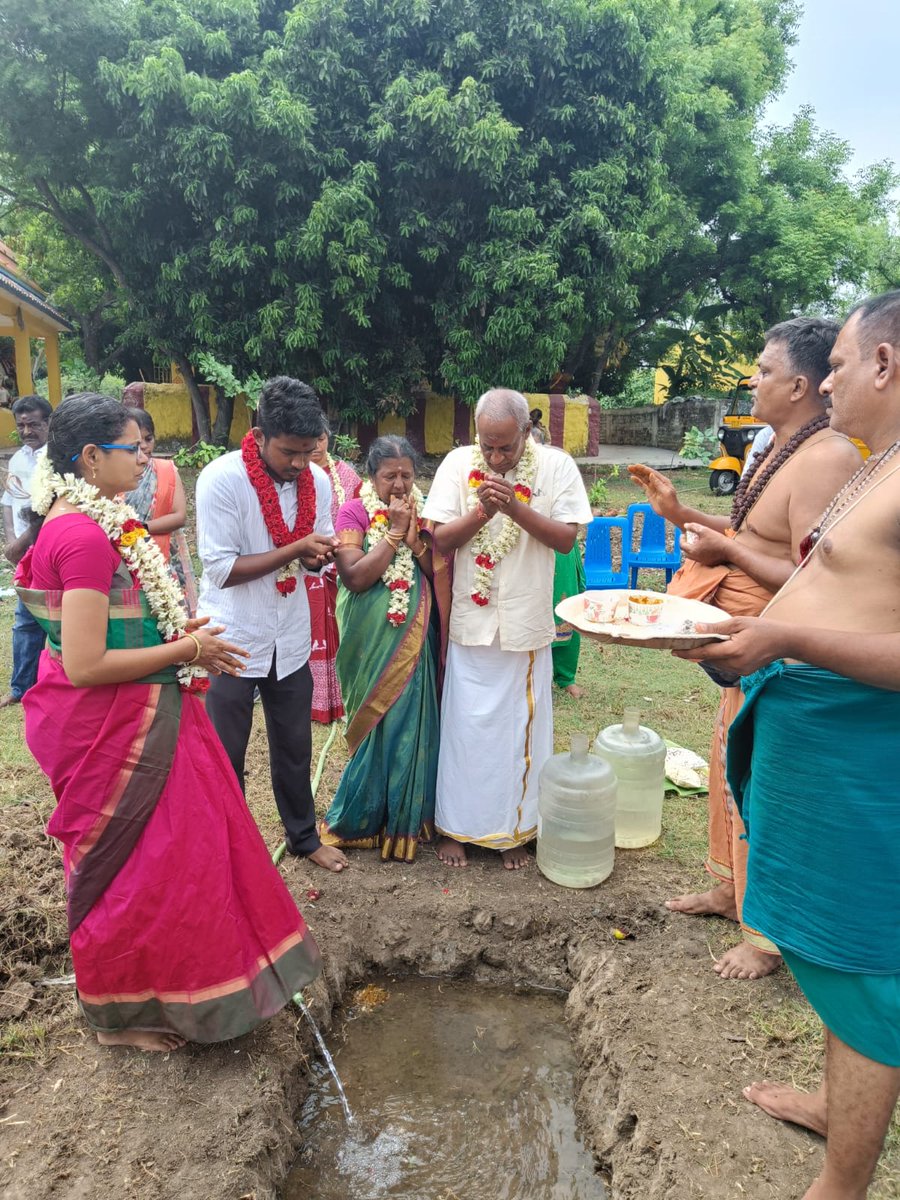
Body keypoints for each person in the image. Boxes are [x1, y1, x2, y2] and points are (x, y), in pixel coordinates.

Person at [677, 291, 900, 1200]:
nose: (828, 380)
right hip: (811, 736)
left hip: (859, 758)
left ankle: (840, 1184)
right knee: (826, 949)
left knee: (860, 966)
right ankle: (833, 1097)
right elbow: (819, 577)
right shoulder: (874, 466)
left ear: (885, 366)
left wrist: (787, 639)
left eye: (840, 365)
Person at [15, 393, 321, 1051]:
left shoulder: (97, 520)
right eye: (135, 450)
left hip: (139, 715)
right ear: (92, 459)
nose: (146, 460)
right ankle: (117, 1018)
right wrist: (191, 649)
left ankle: (174, 992)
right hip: (111, 727)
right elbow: (89, 663)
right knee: (129, 874)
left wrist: (176, 630)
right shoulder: (83, 535)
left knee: (168, 864)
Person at [629, 319, 860, 980]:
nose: (751, 380)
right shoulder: (772, 446)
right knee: (727, 768)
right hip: (738, 654)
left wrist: (726, 549)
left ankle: (765, 936)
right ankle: (729, 890)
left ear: (798, 384)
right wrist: (682, 518)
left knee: (761, 784)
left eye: (762, 371)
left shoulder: (827, 459)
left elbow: (812, 579)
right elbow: (743, 531)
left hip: (780, 657)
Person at [422, 388, 592, 869]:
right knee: (466, 728)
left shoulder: (556, 467)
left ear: (527, 433)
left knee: (521, 731)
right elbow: (439, 539)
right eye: (488, 447)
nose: (496, 458)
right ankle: (456, 827)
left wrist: (515, 507)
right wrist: (482, 511)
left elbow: (565, 540)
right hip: (471, 623)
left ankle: (514, 830)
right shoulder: (459, 464)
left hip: (524, 623)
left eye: (507, 448)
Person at [196, 376, 347, 872]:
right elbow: (220, 569)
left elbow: (316, 559)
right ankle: (228, 852)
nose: (301, 464)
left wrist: (313, 559)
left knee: (295, 749)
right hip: (231, 639)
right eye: (289, 452)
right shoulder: (220, 479)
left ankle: (303, 838)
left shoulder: (318, 482)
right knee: (226, 755)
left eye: (309, 452)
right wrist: (295, 550)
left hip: (291, 636)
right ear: (258, 436)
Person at [319, 436, 450, 861]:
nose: (399, 485)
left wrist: (415, 542)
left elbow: (436, 572)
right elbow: (355, 577)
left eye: (407, 476)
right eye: (389, 476)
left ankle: (406, 821)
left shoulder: (427, 510)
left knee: (410, 720)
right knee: (373, 721)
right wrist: (393, 531)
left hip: (414, 635)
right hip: (368, 635)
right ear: (371, 477)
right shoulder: (353, 511)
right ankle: (359, 818)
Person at [305, 424, 362, 723]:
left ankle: (342, 698)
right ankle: (313, 700)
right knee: (312, 633)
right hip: (306, 569)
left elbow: (361, 511)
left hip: (342, 567)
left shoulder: (347, 475)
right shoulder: (295, 474)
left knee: (341, 630)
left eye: (322, 438)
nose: (316, 445)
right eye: (311, 439)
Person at [1, 394, 51, 708]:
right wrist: (10, 542)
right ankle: (21, 689)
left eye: (33, 424)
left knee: (60, 618)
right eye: (21, 425)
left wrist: (22, 544)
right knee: (24, 622)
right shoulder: (18, 459)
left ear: (48, 423)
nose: (27, 430)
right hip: (24, 556)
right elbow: (8, 503)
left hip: (49, 550)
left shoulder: (57, 458)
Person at [123, 407, 198, 615]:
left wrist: (137, 529)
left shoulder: (166, 469)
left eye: (149, 438)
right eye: (137, 443)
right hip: (123, 561)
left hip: (163, 558)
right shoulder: (114, 474)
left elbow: (179, 516)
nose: (145, 447)